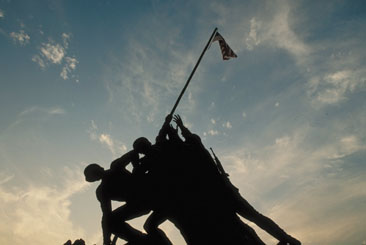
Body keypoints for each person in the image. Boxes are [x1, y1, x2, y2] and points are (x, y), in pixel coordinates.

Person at [173, 114, 301, 245]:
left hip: (223, 194)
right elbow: (187, 140)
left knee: (252, 218)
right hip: (220, 196)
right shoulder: (194, 151)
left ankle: (286, 238)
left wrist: (180, 129)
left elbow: (187, 140)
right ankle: (286, 238)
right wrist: (180, 128)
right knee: (251, 220)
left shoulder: (193, 152)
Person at [84, 150, 151, 245]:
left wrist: (137, 174)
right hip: (136, 205)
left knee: (110, 221)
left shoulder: (116, 167)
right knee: (110, 221)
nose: (96, 175)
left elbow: (134, 153)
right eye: (94, 174)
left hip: (145, 197)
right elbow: (107, 215)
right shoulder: (102, 191)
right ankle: (140, 239)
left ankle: (142, 240)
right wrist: (106, 240)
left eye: (95, 172)